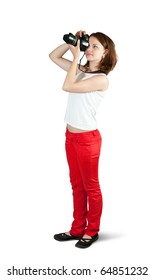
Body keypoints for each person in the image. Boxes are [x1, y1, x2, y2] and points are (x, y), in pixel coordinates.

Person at [49, 30, 117, 248]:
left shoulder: (100, 79)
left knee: (91, 187)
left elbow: (68, 86)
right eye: (89, 45)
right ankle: (77, 229)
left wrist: (76, 57)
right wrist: (73, 43)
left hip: (88, 140)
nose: (89, 49)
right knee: (76, 185)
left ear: (106, 53)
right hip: (70, 137)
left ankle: (92, 231)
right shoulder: (81, 70)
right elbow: (53, 56)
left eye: (95, 46)